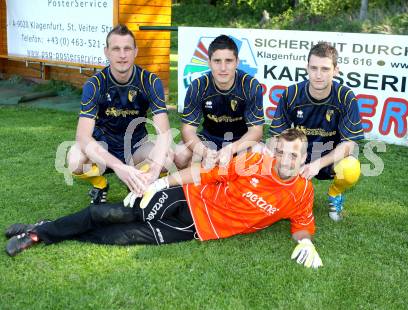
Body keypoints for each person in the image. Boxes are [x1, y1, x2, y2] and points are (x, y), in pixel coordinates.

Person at [6, 128, 323, 269]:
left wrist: (305, 241)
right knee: (109, 214)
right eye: (279, 151)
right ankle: (37, 233)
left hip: (198, 228)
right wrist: (161, 184)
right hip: (186, 197)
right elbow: (203, 174)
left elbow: (301, 223)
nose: (284, 159)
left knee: (120, 237)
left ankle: (47, 227)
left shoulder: (302, 191)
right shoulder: (254, 162)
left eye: (292, 154)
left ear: (303, 155)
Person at [67, 24, 171, 204]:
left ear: (135, 51)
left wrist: (154, 170)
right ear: (107, 52)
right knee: (75, 160)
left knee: (167, 156)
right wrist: (118, 167)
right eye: (116, 49)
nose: (122, 55)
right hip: (104, 144)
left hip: (136, 145)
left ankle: (140, 182)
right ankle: (100, 185)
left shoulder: (150, 81)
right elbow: (82, 136)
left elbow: (164, 133)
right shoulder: (95, 84)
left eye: (127, 48)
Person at [269, 41, 364, 222]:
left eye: (325, 69)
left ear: (336, 70)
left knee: (351, 168)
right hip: (299, 154)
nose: (318, 75)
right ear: (307, 68)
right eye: (314, 68)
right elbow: (277, 136)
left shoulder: (345, 97)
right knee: (269, 156)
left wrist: (317, 164)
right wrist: (285, 160)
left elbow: (349, 144)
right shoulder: (292, 93)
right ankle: (285, 193)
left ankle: (335, 193)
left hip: (329, 158)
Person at [175, 34, 264, 169]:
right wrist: (205, 153)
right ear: (209, 62)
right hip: (209, 139)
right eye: (217, 61)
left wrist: (230, 150)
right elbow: (188, 130)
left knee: (259, 152)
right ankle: (190, 183)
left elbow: (256, 131)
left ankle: (241, 185)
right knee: (180, 155)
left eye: (228, 61)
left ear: (237, 62)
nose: (223, 68)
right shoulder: (198, 86)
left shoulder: (251, 85)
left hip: (240, 139)